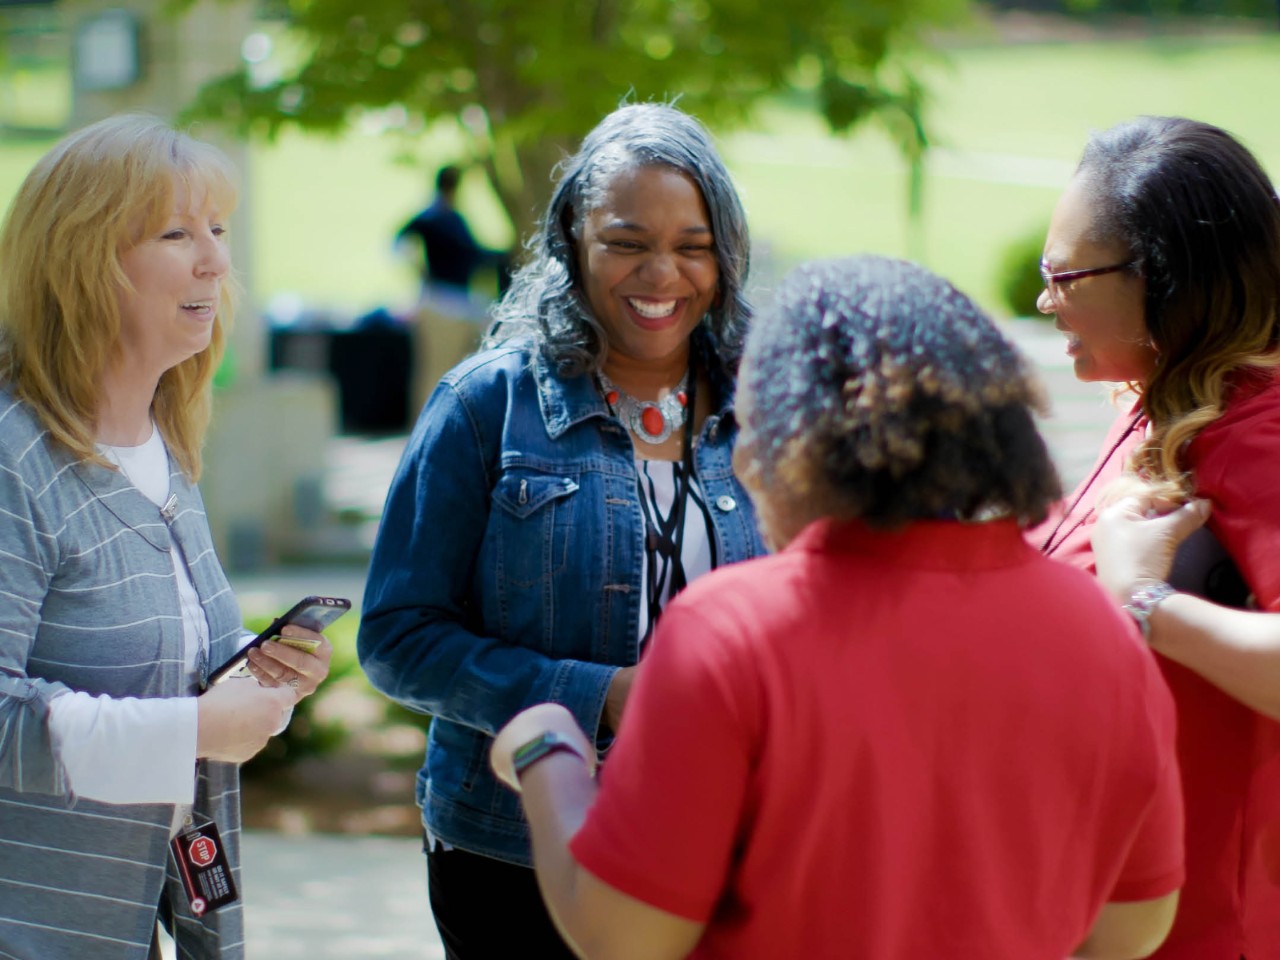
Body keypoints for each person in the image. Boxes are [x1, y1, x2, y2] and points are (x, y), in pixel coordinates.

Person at [489, 255, 1184, 959]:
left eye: (746, 424)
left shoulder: (731, 633)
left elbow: (624, 936)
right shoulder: (1101, 632)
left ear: (790, 440)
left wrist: (548, 747)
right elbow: (1134, 927)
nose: (739, 461)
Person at [358, 102, 766, 958]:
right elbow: (397, 638)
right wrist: (595, 695)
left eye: (692, 247)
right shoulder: (485, 407)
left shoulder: (772, 410)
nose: (662, 275)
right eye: (626, 242)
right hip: (513, 855)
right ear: (571, 242)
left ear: (725, 256)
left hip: (731, 845)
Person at [0, 114, 334, 960]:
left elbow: (173, 673)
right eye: (176, 233)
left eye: (217, 230)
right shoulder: (12, 458)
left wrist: (264, 675)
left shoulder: (165, 443)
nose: (216, 260)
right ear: (82, 261)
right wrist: (195, 730)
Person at [1031, 115, 1280, 957]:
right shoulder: (1156, 394)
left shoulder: (1257, 433)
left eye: (1065, 276)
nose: (1043, 300)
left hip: (1209, 923)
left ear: (1165, 282)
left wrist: (1148, 604)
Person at [395, 164, 509, 315]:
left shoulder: (453, 217)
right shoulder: (432, 218)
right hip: (444, 293)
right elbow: (399, 244)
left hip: (460, 290)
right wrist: (421, 271)